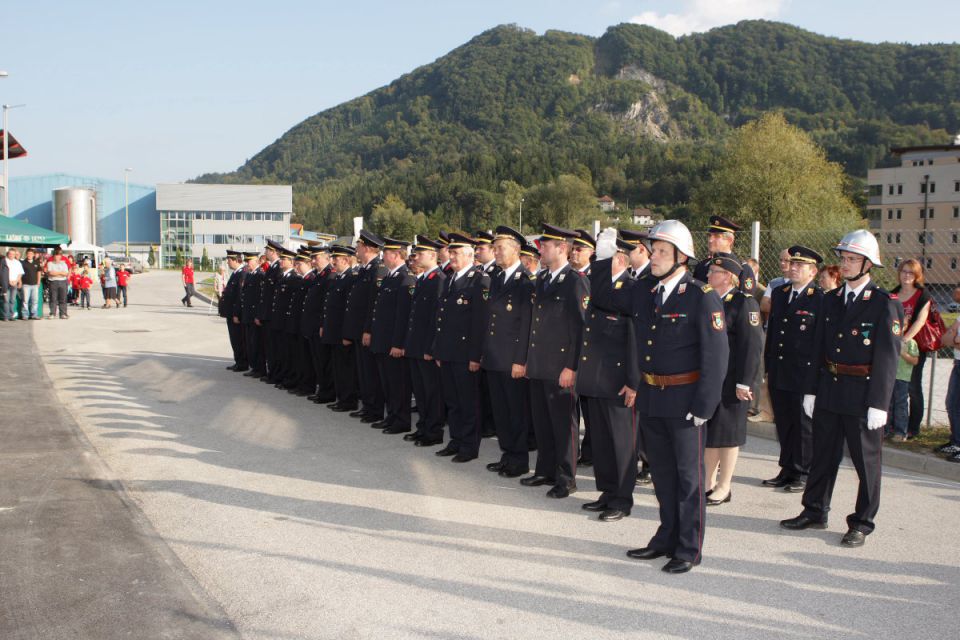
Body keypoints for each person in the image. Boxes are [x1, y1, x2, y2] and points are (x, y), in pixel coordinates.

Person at [781, 229, 903, 548]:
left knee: (866, 462)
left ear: (868, 264)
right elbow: (817, 348)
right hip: (830, 388)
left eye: (852, 259)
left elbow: (888, 358)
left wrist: (880, 402)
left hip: (863, 393)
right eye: (844, 258)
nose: (845, 264)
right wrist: (811, 390)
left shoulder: (883, 304)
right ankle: (814, 510)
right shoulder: (831, 300)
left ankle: (862, 522)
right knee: (823, 455)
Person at [625, 220, 728, 574]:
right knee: (663, 475)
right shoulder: (647, 292)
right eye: (653, 250)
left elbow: (716, 356)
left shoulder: (702, 296)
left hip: (686, 400)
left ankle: (688, 547)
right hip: (653, 397)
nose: (654, 256)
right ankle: (666, 536)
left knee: (688, 479)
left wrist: (704, 405)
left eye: (662, 252)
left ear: (681, 258)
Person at [521, 224, 588, 498]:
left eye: (545, 246)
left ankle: (565, 477)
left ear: (562, 248)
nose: (541, 250)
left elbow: (581, 328)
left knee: (564, 425)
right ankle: (544, 470)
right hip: (540, 364)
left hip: (561, 367)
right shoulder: (543, 279)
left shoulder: (575, 281)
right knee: (543, 421)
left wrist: (572, 366)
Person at [576, 234, 639, 522]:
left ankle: (622, 499)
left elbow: (636, 342)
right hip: (597, 376)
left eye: (609, 257)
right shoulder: (603, 285)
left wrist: (634, 381)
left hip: (618, 379)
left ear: (622, 259)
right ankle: (607, 491)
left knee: (621, 443)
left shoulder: (632, 289)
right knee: (600, 439)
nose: (601, 264)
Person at [703, 254, 763, 506]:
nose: (708, 275)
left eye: (714, 271)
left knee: (728, 434)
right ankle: (706, 482)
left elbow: (752, 347)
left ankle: (724, 485)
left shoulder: (744, 303)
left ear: (727, 276)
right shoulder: (708, 300)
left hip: (732, 379)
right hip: (711, 378)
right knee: (710, 432)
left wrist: (744, 383)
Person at [763, 246, 824, 492]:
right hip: (780, 368)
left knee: (802, 424)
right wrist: (768, 366)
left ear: (813, 271)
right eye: (793, 263)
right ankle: (787, 468)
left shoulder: (819, 299)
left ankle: (802, 471)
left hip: (803, 372)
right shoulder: (780, 293)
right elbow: (774, 332)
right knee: (784, 422)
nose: (794, 267)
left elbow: (819, 341)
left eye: (801, 265)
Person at [481, 226, 535, 478]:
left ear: (515, 250)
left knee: (516, 412)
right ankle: (507, 454)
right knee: (501, 411)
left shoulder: (524, 282)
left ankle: (519, 459)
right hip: (494, 357)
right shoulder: (497, 277)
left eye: (500, 248)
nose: (496, 252)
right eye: (495, 248)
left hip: (511, 359)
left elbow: (525, 325)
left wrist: (520, 360)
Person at [432, 233, 490, 463]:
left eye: (456, 253)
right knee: (453, 401)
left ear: (469, 255)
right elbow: (442, 319)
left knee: (468, 402)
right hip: (447, 352)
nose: (451, 256)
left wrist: (476, 356)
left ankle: (469, 446)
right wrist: (438, 350)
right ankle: (455, 440)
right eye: (451, 252)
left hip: (466, 354)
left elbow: (480, 323)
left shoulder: (479, 280)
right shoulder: (449, 279)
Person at [403, 237, 447, 447]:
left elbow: (436, 318)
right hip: (415, 345)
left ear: (432, 256)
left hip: (426, 347)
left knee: (432, 392)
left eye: (419, 254)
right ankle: (423, 426)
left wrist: (432, 347)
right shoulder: (422, 279)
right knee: (420, 391)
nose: (415, 258)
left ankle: (433, 431)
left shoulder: (438, 279)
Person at [369, 238, 416, 434]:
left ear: (396, 255)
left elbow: (402, 315)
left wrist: (398, 344)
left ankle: (401, 419)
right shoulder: (389, 277)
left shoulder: (406, 278)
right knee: (388, 382)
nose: (382, 256)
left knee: (398, 384)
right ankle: (392, 416)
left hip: (393, 343)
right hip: (383, 340)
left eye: (386, 253)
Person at [342, 230, 388, 424]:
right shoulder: (364, 269)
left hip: (367, 330)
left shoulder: (377, 269)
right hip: (359, 329)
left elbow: (373, 304)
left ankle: (375, 409)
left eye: (359, 246)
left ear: (367, 248)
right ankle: (368, 406)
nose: (356, 250)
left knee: (370, 372)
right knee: (363, 371)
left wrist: (368, 329)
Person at [890, 259, 932, 440]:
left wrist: (904, 340)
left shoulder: (923, 295)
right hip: (891, 347)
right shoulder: (892, 294)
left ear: (917, 276)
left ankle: (912, 427)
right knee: (891, 388)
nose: (907, 275)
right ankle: (891, 425)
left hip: (912, 347)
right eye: (904, 271)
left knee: (912, 388)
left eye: (911, 273)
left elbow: (920, 321)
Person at [322, 245, 361, 412]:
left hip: (342, 332)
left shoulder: (351, 278)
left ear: (345, 260)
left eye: (336, 259)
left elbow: (349, 310)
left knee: (346, 369)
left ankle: (348, 400)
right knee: (338, 367)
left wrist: (346, 333)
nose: (333, 262)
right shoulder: (339, 278)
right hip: (334, 331)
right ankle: (341, 398)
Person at [692, 215, 759, 299]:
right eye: (709, 235)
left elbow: (745, 303)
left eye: (716, 236)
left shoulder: (743, 269)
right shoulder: (702, 266)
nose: (710, 240)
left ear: (729, 240)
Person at [935, 286, 960, 463]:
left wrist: (954, 337)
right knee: (951, 403)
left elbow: (955, 339)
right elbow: (946, 339)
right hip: (958, 362)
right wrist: (953, 337)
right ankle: (956, 441)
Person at [886, 333, 919, 442]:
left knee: (900, 404)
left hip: (902, 378)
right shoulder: (889, 338)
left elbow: (915, 361)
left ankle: (900, 432)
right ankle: (885, 430)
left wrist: (903, 353)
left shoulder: (911, 342)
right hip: (888, 376)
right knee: (887, 404)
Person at [219, 250, 248, 372]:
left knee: (238, 339)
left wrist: (236, 313)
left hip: (235, 314)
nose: (228, 262)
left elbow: (239, 296)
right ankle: (238, 361)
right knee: (234, 339)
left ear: (236, 260)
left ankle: (242, 363)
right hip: (230, 313)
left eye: (229, 260)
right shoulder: (235, 273)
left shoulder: (241, 273)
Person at [760, 248, 792, 317]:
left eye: (786, 260)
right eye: (780, 260)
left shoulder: (798, 284)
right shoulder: (774, 283)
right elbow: (764, 306)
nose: (782, 263)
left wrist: (773, 302)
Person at [45, 248, 70, 319]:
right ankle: (52, 313)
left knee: (63, 298)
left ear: (61, 256)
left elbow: (65, 273)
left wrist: (56, 273)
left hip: (63, 282)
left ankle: (63, 313)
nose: (57, 257)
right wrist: (60, 273)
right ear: (54, 256)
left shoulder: (64, 263)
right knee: (53, 298)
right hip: (53, 282)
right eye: (56, 255)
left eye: (59, 255)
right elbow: (50, 273)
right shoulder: (50, 263)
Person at [20, 248, 41, 320]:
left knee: (35, 301)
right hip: (26, 284)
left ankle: (34, 314)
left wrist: (38, 282)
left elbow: (39, 272)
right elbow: (20, 273)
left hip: (35, 284)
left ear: (33, 255)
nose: (29, 255)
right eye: (28, 254)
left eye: (31, 254)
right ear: (26, 254)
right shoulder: (23, 263)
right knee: (25, 301)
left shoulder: (36, 263)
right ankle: (25, 315)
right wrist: (20, 282)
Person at [3, 248, 24, 321]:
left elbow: (20, 273)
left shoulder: (17, 262)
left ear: (15, 255)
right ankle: (6, 316)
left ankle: (11, 316)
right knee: (6, 300)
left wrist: (17, 281)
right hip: (6, 284)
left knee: (12, 300)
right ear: (7, 254)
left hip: (14, 283)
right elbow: (2, 273)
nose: (11, 255)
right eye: (10, 254)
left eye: (13, 254)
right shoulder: (4, 261)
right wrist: (8, 281)